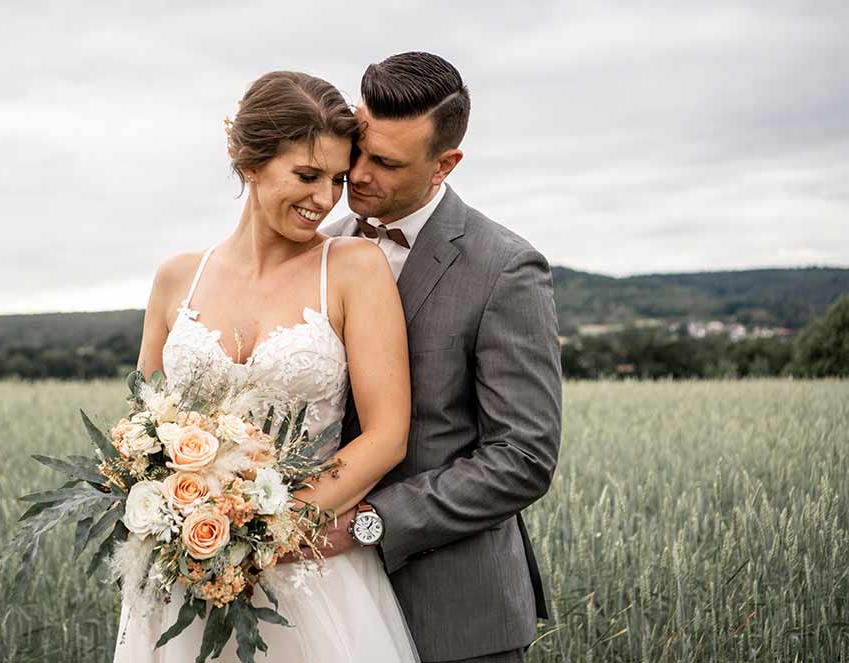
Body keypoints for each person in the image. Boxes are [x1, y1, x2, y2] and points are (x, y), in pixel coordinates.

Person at [114, 71, 419, 662]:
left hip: (310, 574)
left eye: (335, 178)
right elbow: (140, 425)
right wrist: (180, 520)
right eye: (307, 176)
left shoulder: (354, 267)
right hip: (182, 576)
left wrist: (264, 533)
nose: (326, 200)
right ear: (248, 162)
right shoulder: (177, 277)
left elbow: (387, 435)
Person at [318, 52, 563, 663]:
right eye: (359, 149)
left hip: (455, 615)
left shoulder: (506, 267)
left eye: (388, 163)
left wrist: (366, 524)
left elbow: (522, 457)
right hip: (323, 610)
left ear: (444, 165)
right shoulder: (318, 249)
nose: (359, 176)